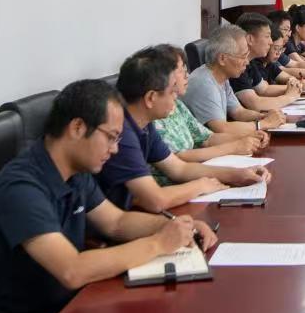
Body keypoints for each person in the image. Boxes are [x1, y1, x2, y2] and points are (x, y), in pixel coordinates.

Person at [0, 78, 213, 313]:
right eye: (111, 137)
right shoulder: (21, 189)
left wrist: (176, 225)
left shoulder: (74, 171)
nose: (115, 149)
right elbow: (72, 270)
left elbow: (116, 222)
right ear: (78, 128)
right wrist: (158, 243)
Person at [97, 46, 271, 212]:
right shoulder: (122, 135)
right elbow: (155, 199)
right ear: (151, 98)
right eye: (172, 91)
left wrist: (237, 174)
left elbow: (179, 168)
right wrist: (200, 185)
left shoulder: (145, 124)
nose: (176, 97)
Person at [147, 44, 265, 167]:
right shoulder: (154, 118)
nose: (187, 75)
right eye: (181, 70)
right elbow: (179, 159)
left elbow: (206, 138)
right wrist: (234, 147)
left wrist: (247, 137)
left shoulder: (177, 105)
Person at [185, 24, 286, 132]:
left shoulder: (222, 77)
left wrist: (263, 117)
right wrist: (263, 124)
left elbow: (238, 112)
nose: (247, 62)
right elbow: (221, 128)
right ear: (222, 59)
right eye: (243, 56)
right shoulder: (204, 84)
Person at [230, 13, 303, 113]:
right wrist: (289, 97)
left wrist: (294, 87)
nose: (271, 42)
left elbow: (264, 89)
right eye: (267, 36)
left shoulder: (250, 62)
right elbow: (255, 104)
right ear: (250, 39)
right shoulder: (236, 64)